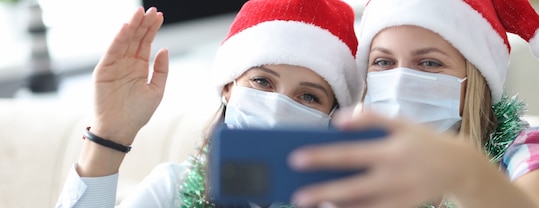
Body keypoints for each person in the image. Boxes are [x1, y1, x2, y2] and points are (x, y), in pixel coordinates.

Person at [287, 0, 539, 207]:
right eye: (383, 62)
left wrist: (467, 172)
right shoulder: (351, 165)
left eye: (429, 64)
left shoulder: (532, 148)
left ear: (475, 77)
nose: (400, 80)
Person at [55, 0, 364, 207]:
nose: (277, 107)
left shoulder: (349, 200)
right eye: (262, 82)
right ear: (229, 87)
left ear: (333, 115)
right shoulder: (172, 189)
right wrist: (109, 137)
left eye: (308, 96)